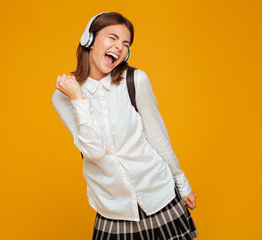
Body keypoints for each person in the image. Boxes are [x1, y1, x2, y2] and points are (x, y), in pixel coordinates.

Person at [52, 12, 199, 240]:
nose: (119, 47)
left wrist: (182, 182)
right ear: (89, 40)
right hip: (113, 208)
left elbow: (157, 136)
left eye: (125, 43)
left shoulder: (135, 80)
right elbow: (94, 151)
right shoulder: (64, 96)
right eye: (112, 38)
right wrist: (78, 99)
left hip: (160, 195)